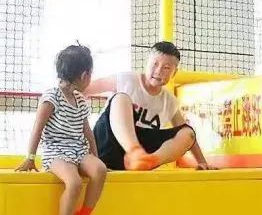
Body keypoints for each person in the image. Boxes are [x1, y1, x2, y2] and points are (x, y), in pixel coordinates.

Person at [15, 44, 107, 215]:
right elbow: (38, 127)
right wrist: (30, 158)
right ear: (84, 76)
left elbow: (87, 132)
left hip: (78, 149)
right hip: (56, 152)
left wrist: (95, 156)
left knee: (100, 170)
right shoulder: (51, 97)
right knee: (74, 182)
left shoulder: (80, 100)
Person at [88, 41, 212, 171]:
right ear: (147, 63)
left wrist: (202, 162)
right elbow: (85, 87)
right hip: (107, 146)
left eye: (166, 68)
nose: (158, 71)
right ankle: (134, 152)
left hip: (140, 157)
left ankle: (149, 161)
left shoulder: (169, 101)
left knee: (188, 132)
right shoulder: (126, 79)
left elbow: (188, 135)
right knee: (121, 98)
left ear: (174, 73)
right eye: (155, 64)